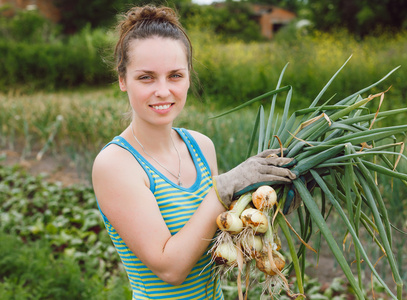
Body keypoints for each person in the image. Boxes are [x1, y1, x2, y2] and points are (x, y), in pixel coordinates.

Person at [92, 4, 296, 300]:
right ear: (123, 80)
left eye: (175, 75)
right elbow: (170, 269)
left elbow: (214, 239)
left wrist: (263, 205)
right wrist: (223, 189)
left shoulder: (200, 146)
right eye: (146, 77)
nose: (163, 90)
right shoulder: (115, 164)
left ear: (188, 76)